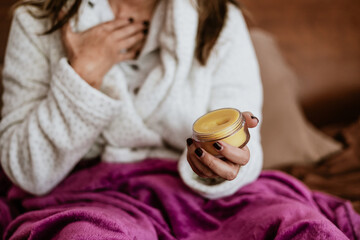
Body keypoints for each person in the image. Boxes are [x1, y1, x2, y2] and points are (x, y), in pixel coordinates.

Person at [0, 0, 263, 199]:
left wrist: (218, 168)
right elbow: (26, 170)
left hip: (192, 197)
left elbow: (246, 153)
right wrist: (83, 75)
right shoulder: (36, 21)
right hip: (88, 197)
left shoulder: (219, 19)